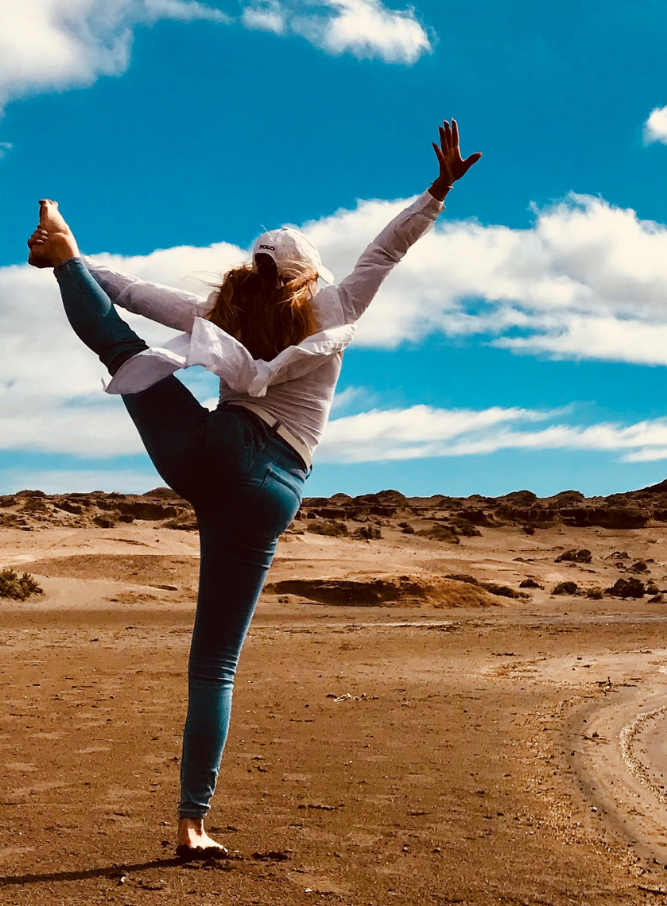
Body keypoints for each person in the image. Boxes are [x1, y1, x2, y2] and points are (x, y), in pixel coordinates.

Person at [26, 120, 481, 860]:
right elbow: (386, 251)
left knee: (122, 345)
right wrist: (437, 192)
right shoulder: (333, 308)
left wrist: (76, 267)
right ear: (309, 273)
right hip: (273, 482)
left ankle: (62, 255)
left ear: (256, 267)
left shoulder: (224, 312)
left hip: (205, 451)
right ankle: (191, 824)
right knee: (215, 666)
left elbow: (136, 296)